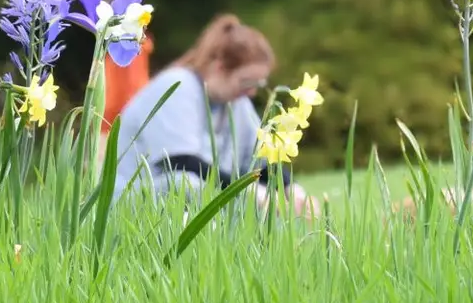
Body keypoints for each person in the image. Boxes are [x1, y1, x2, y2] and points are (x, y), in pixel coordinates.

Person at [110, 14, 319, 217]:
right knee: (188, 185)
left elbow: (260, 160)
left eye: (257, 85)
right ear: (219, 68)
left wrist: (290, 188)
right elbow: (180, 161)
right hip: (134, 199)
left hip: (184, 201)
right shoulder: (177, 84)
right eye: (247, 82)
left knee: (262, 204)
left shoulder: (235, 102)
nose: (252, 92)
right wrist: (246, 190)